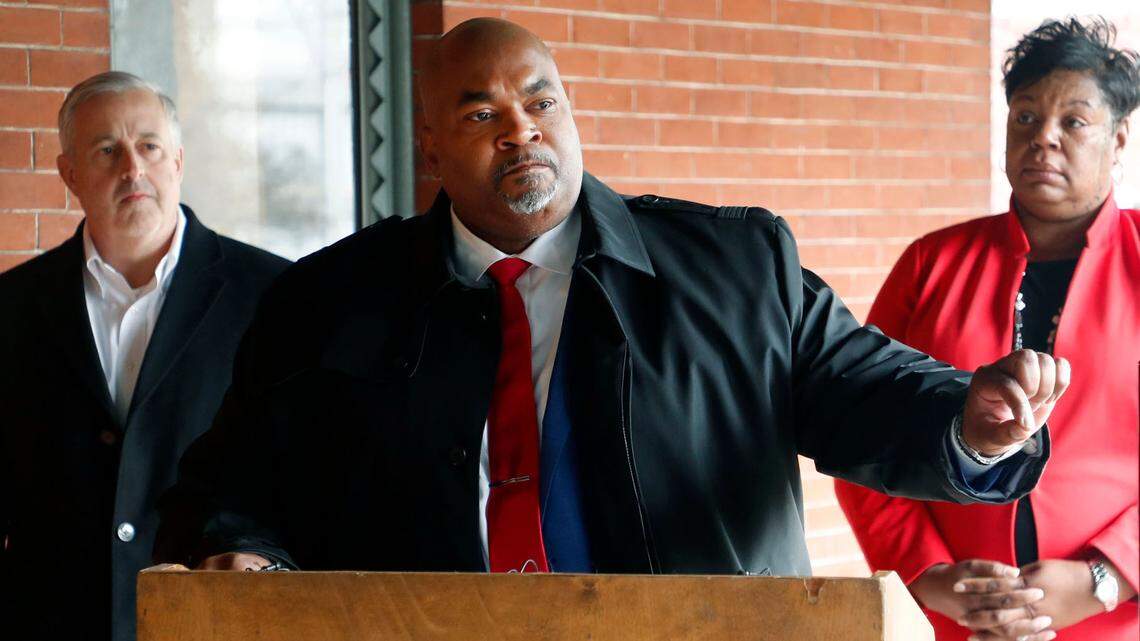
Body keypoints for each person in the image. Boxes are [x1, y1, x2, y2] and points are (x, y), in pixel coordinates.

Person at [156, 18, 1068, 588]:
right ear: (429, 145)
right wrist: (247, 550)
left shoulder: (738, 267)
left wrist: (969, 423)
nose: (521, 131)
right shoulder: (328, 299)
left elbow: (863, 388)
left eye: (540, 102)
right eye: (481, 114)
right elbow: (235, 484)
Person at [835, 17, 1138, 641]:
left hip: (1116, 619)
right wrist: (928, 575)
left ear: (1117, 140)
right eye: (1025, 117)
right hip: (957, 620)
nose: (1043, 138)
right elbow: (858, 425)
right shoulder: (931, 265)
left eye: (1073, 122)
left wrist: (1107, 577)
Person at [0, 72, 290, 641]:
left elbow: (302, 471)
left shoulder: (272, 295)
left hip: (211, 623)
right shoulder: (12, 306)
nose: (132, 169)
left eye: (149, 146)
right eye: (107, 150)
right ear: (69, 173)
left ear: (177, 160)